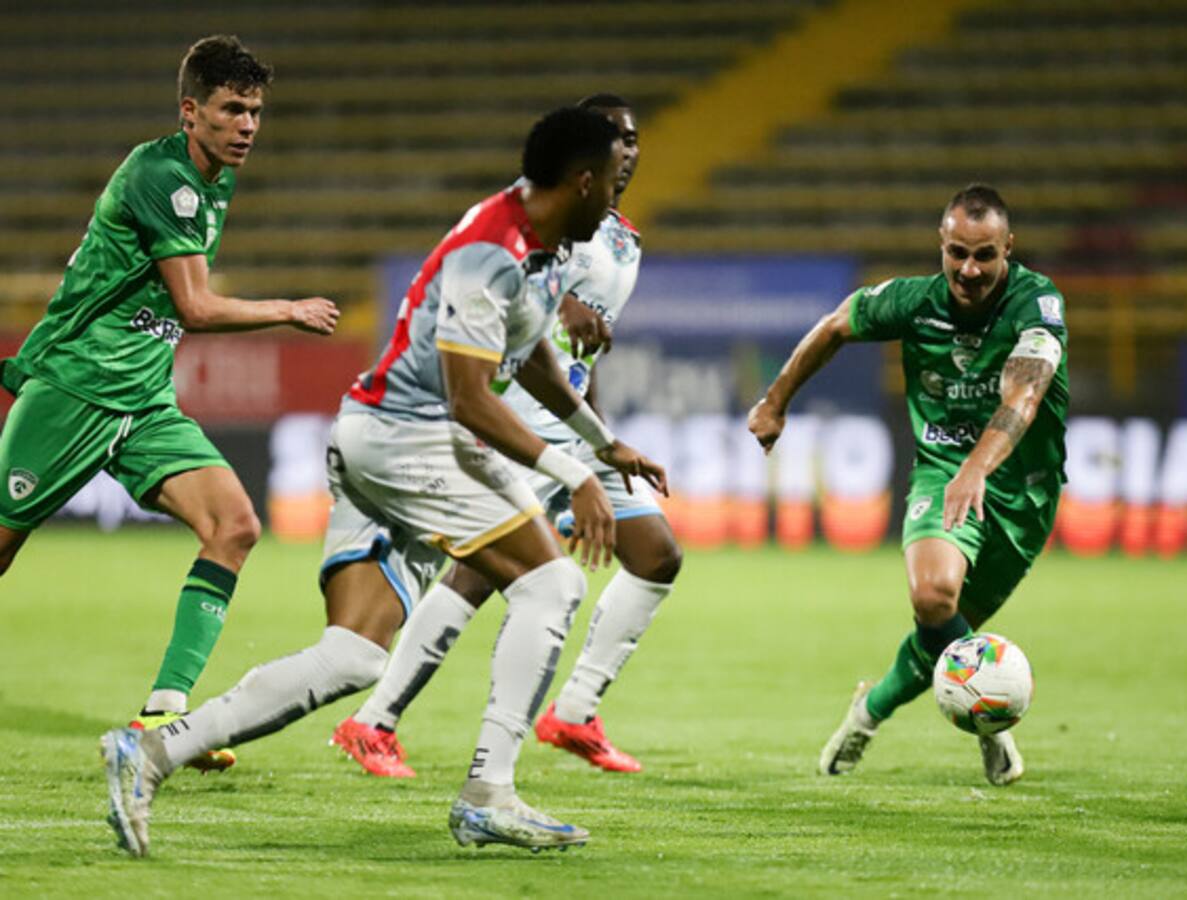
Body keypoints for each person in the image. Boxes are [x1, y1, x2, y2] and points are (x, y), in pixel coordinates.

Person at [101, 105, 668, 858]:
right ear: (583, 181)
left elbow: (531, 358)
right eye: (613, 181)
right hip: (411, 439)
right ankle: (488, 794)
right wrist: (574, 474)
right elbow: (469, 397)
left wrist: (606, 444)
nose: (621, 196)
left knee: (353, 654)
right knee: (552, 584)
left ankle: (150, 752)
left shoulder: (530, 243)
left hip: (380, 435)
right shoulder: (492, 251)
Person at [0, 35, 339, 770]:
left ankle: (162, 716)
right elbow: (194, 307)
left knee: (236, 525)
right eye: (231, 110)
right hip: (76, 385)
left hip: (144, 398)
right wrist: (288, 307)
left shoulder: (215, 178)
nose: (247, 125)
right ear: (191, 111)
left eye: (255, 111)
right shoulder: (161, 175)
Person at [333, 94, 682, 778]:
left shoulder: (622, 240)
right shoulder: (542, 225)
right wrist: (562, 302)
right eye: (615, 138)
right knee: (479, 574)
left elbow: (584, 362)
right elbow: (509, 308)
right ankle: (371, 722)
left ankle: (574, 712)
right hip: (515, 425)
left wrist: (603, 437)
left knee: (658, 557)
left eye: (634, 138)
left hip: (578, 433)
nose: (629, 149)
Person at [748, 184, 1068, 786]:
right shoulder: (914, 301)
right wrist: (775, 401)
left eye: (984, 256)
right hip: (943, 470)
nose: (969, 270)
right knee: (933, 599)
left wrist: (980, 467)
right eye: (956, 253)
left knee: (939, 640)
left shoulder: (1037, 303)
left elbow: (1025, 393)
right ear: (941, 245)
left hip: (1023, 489)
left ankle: (867, 713)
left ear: (1009, 249)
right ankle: (993, 724)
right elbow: (835, 325)